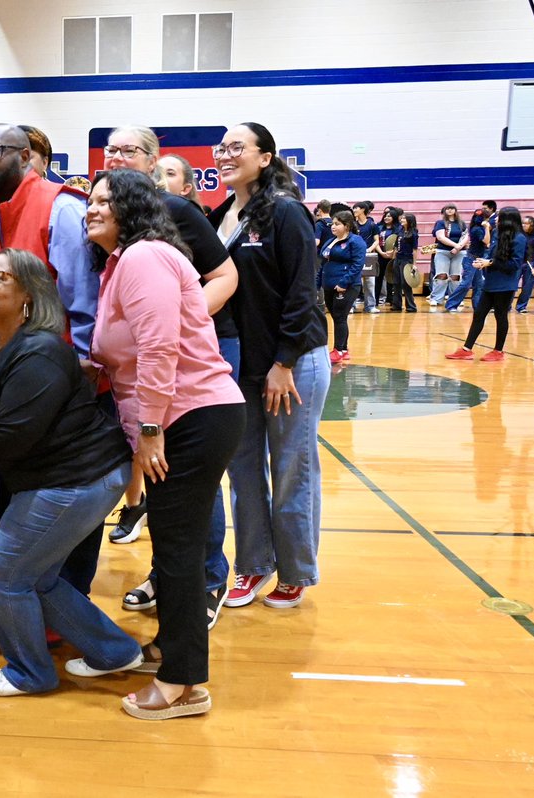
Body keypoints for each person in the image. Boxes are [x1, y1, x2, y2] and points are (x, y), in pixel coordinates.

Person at [83, 169, 245, 719]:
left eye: (105, 200)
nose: (92, 208)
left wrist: (150, 429)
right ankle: (172, 650)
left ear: (131, 209)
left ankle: (184, 683)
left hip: (189, 417)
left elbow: (158, 347)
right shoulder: (122, 263)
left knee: (176, 548)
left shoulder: (143, 257)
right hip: (185, 415)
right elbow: (128, 346)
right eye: (90, 199)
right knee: (173, 545)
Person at [0, 248, 134, 697]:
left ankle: (29, 673)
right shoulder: (3, 346)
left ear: (28, 293)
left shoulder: (40, 352)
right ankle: (114, 652)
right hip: (58, 478)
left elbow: (8, 439)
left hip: (78, 479)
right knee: (37, 576)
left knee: (3, 567)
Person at [102, 126, 241, 632]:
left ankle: (206, 579)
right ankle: (169, 574)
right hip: (151, 363)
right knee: (165, 480)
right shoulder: (114, 225)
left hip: (195, 357)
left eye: (129, 150)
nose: (118, 156)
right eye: (111, 149)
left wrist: (179, 319)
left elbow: (226, 276)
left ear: (153, 160)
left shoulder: (177, 213)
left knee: (190, 476)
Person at [0, 123, 101, 593]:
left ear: (26, 156)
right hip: (14, 389)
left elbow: (84, 298)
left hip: (64, 389)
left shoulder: (62, 207)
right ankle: (31, 604)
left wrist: (85, 366)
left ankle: (68, 610)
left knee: (63, 512)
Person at [207, 123, 330, 610]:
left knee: (291, 469)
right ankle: (253, 565)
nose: (226, 154)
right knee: (242, 470)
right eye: (222, 148)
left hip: (292, 362)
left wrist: (284, 361)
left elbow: (303, 293)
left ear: (265, 157)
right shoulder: (219, 216)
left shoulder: (285, 211)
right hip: (241, 365)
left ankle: (296, 570)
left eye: (238, 147)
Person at [446, 207, 528, 362]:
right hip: (490, 282)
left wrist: (489, 262)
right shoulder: (497, 234)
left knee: (500, 315)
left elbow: (515, 264)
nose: (495, 219)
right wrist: (482, 263)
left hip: (505, 285)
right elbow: (491, 255)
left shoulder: (519, 238)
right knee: (479, 315)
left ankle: (498, 351)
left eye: (499, 217)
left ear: (508, 220)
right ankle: (467, 349)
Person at [319, 210, 367, 363]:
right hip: (329, 285)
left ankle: (339, 350)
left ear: (346, 226)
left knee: (340, 317)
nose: (333, 227)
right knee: (336, 317)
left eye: (337, 224)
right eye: (333, 224)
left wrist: (344, 283)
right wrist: (317, 283)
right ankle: (343, 349)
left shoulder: (356, 241)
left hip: (346, 286)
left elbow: (357, 264)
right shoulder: (330, 241)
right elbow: (323, 263)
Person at [446, 203, 496, 313]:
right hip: (471, 259)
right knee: (466, 284)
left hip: (478, 259)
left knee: (479, 285)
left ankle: (478, 307)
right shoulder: (477, 229)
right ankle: (451, 304)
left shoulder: (478, 228)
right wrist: (487, 228)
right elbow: (487, 242)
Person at [428, 204, 467, 307]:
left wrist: (459, 247)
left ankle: (455, 299)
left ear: (455, 210)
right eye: (447, 209)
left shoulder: (462, 223)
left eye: (452, 208)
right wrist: (456, 246)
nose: (449, 210)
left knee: (456, 277)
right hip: (443, 252)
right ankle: (436, 298)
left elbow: (466, 236)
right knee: (441, 276)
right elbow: (440, 237)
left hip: (459, 253)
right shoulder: (440, 223)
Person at [388, 212, 419, 312]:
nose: (402, 220)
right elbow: (396, 247)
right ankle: (397, 305)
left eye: (404, 219)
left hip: (407, 259)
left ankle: (411, 306)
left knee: (405, 283)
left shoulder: (413, 233)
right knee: (396, 282)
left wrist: (414, 264)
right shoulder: (400, 231)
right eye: (402, 219)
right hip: (398, 259)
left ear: (409, 221)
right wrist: (393, 259)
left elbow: (415, 250)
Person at [371, 207, 401, 309]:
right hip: (381, 255)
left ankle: (392, 300)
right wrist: (382, 252)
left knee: (391, 278)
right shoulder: (379, 227)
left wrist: (392, 253)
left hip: (393, 256)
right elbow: (376, 241)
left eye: (389, 216)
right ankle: (375, 301)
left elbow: (398, 242)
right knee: (378, 278)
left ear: (394, 218)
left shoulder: (398, 229)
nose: (386, 218)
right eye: (385, 216)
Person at [515, 215, 534, 313]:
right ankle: (506, 306)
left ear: (532, 225)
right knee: (511, 285)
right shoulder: (517, 234)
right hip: (517, 262)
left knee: (528, 286)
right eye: (523, 223)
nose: (524, 225)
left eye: (526, 223)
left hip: (531, 262)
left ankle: (521, 306)